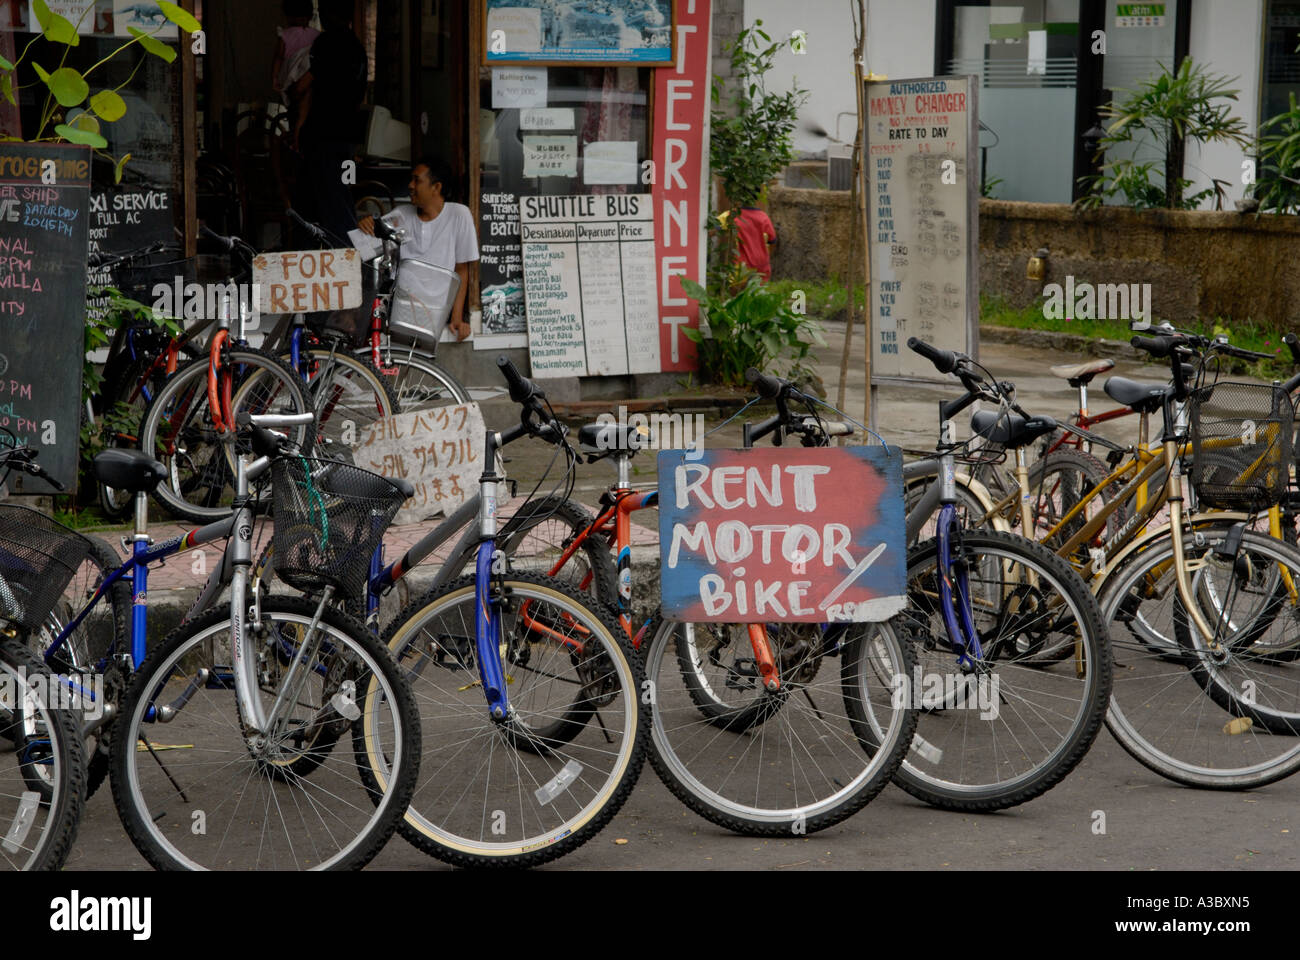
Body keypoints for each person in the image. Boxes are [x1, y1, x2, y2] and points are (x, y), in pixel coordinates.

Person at [359, 159, 477, 342]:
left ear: (436, 187)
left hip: (437, 314)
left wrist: (456, 317)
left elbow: (461, 269)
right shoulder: (402, 215)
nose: (410, 185)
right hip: (401, 312)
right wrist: (365, 225)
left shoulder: (459, 215)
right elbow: (364, 245)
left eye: (417, 180)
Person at [293, 0, 367, 241]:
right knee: (340, 193)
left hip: (323, 133)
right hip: (347, 136)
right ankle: (344, 249)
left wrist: (298, 125)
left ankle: (341, 250)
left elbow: (305, 86)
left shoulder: (326, 43)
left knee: (324, 196)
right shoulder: (357, 48)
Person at [733, 203, 778, 281]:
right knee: (760, 291)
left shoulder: (732, 215)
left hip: (741, 266)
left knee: (738, 291)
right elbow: (772, 241)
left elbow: (712, 230)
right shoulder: (763, 217)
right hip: (761, 265)